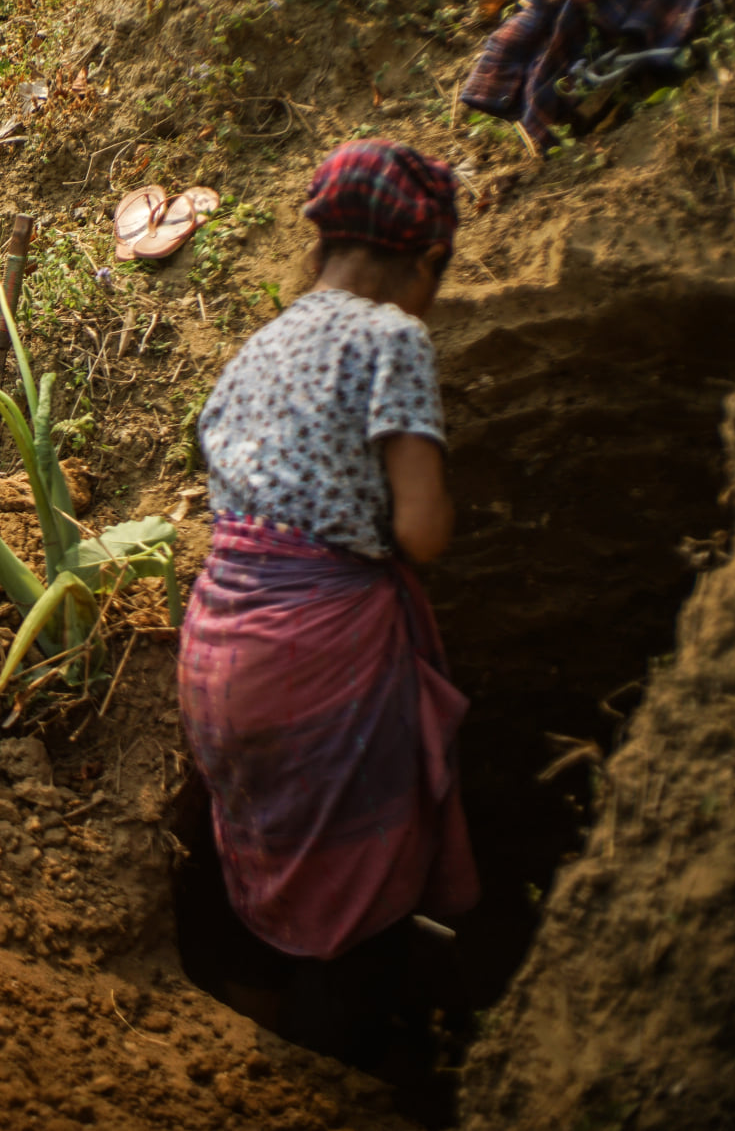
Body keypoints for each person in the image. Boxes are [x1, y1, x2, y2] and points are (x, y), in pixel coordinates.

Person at [177, 139, 478, 1063]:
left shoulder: (261, 345)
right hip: (318, 654)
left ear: (324, 242)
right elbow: (421, 531)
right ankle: (347, 1069)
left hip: (218, 644)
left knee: (259, 850)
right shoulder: (392, 337)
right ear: (427, 260)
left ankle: (250, 1051)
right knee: (361, 873)